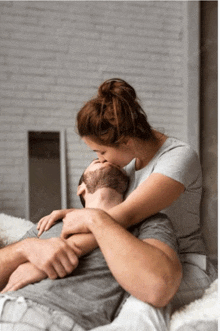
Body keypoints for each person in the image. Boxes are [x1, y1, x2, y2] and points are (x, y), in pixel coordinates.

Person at [37, 78, 217, 312]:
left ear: (126, 140)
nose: (100, 160)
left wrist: (49, 256)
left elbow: (124, 216)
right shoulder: (130, 167)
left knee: (117, 298)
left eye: (101, 151)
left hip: (182, 265)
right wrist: (72, 214)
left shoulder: (178, 159)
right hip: (141, 258)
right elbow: (111, 218)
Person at [0, 161, 181, 331]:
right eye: (96, 160)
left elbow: (159, 286)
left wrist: (95, 218)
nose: (104, 160)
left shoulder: (148, 222)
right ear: (81, 189)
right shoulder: (51, 223)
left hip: (51, 319)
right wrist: (25, 249)